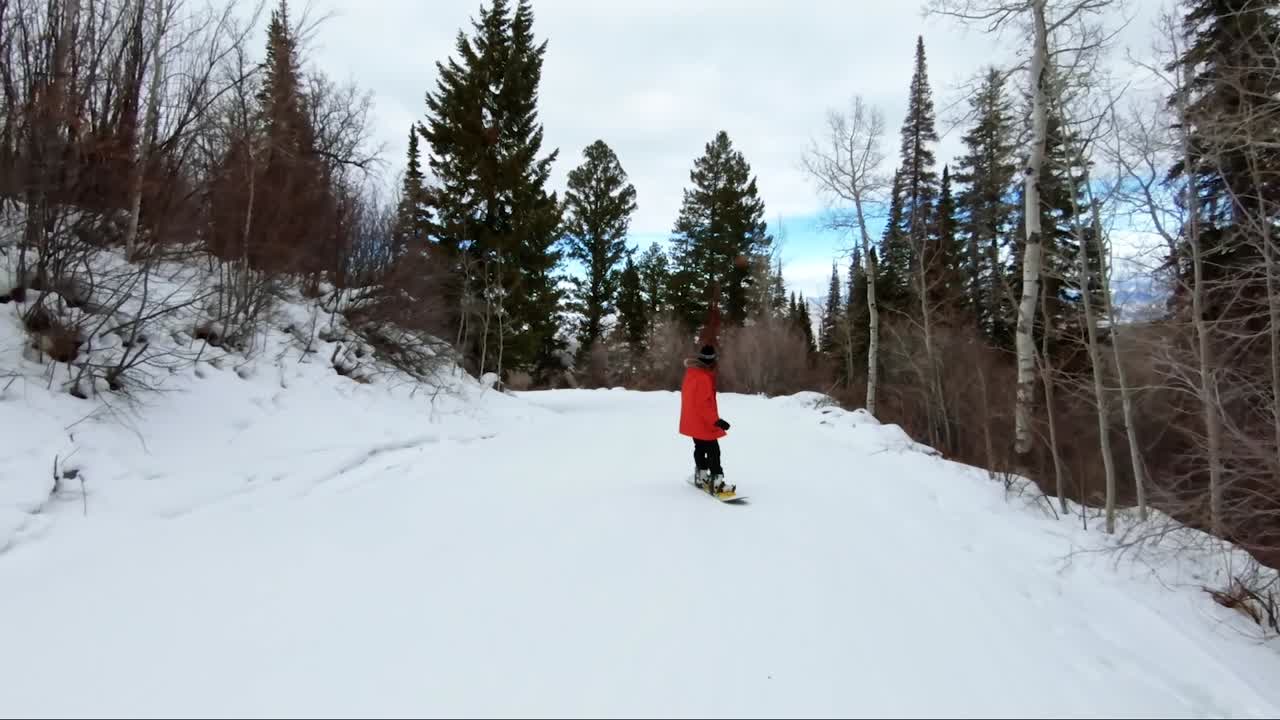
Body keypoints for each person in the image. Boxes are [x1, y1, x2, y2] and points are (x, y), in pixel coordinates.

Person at [679, 344, 733, 494]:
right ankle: (717, 481)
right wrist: (716, 420)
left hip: (693, 420)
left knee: (700, 447)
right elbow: (703, 404)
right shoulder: (703, 377)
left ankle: (701, 475)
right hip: (703, 421)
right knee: (713, 450)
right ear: (712, 361)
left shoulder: (691, 373)